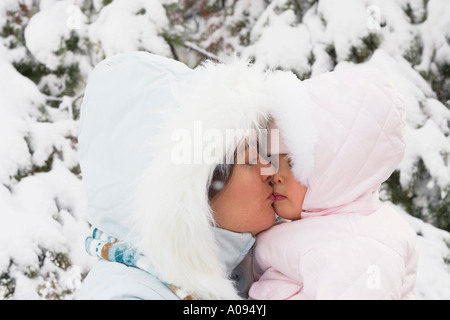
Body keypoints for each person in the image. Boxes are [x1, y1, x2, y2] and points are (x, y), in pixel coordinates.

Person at [75, 51, 305, 300]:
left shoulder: (249, 272)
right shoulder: (128, 295)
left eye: (262, 152)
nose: (270, 169)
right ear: (191, 190)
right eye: (250, 159)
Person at [249, 67, 419, 300]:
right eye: (274, 159)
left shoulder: (361, 247)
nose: (275, 175)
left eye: (291, 160)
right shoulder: (322, 227)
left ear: (339, 169)